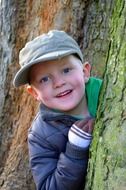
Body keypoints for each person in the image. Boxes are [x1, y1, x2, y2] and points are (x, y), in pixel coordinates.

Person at [13, 30, 102, 190]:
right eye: (44, 79)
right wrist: (74, 152)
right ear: (34, 93)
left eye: (66, 70)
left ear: (85, 72)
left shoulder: (109, 93)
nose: (59, 83)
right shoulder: (41, 135)